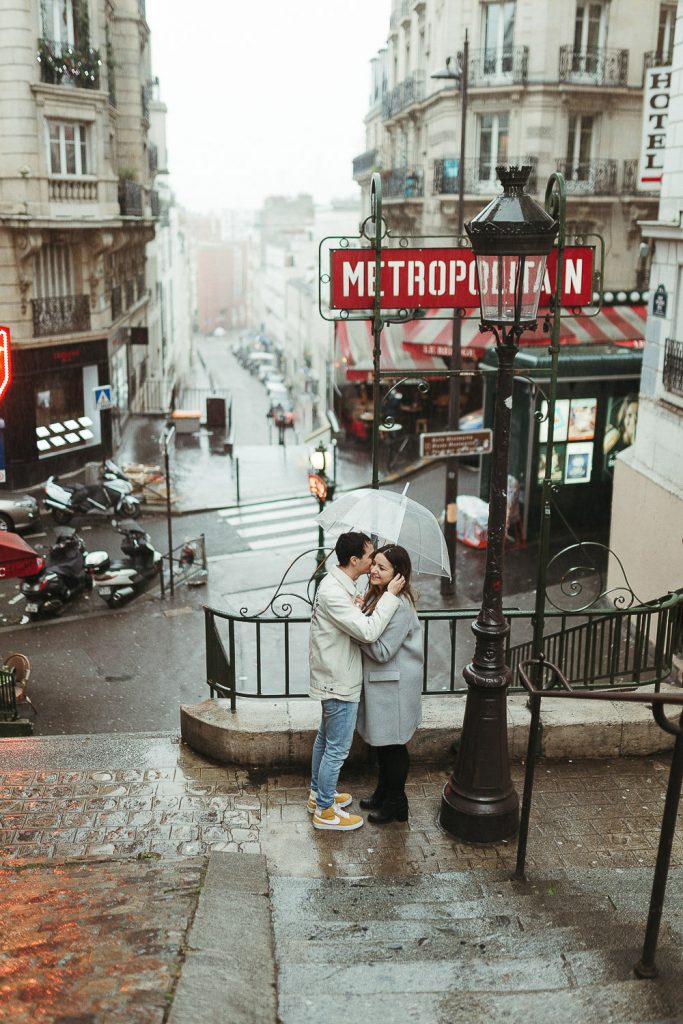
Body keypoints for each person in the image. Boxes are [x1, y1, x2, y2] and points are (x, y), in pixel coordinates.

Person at [308, 532, 405, 832]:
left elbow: (350, 623)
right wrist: (389, 596)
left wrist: (356, 606)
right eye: (369, 556)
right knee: (336, 748)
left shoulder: (338, 585)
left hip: (334, 676)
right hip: (338, 680)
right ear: (354, 560)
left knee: (325, 740)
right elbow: (368, 633)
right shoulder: (333, 592)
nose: (372, 562)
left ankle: (318, 794)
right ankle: (324, 811)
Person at [357, 545, 423, 824]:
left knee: (394, 747)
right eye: (374, 564)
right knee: (384, 747)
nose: (373, 569)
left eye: (382, 568)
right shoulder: (382, 596)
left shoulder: (400, 605)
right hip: (384, 685)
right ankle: (384, 793)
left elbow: (383, 651)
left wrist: (357, 630)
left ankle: (397, 803)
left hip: (393, 688)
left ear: (399, 575)